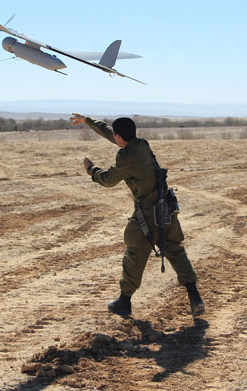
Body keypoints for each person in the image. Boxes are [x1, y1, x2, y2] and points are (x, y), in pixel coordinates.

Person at [69, 113, 205, 323]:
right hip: (165, 207)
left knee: (134, 250)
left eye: (115, 135)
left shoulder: (127, 158)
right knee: (175, 251)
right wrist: (87, 121)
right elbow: (111, 134)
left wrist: (90, 170)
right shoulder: (141, 144)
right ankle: (195, 297)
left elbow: (107, 180)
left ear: (119, 136)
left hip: (148, 212)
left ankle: (124, 301)